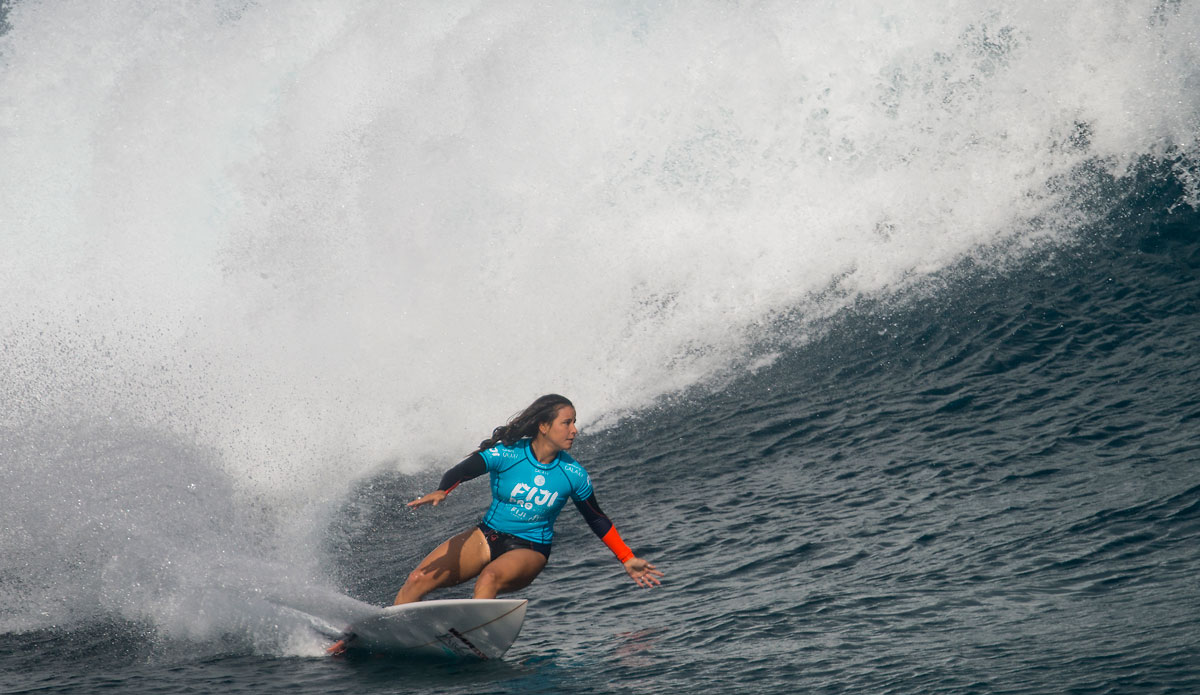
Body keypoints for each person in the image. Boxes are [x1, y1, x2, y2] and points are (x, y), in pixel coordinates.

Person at [393, 394, 663, 605]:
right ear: (544, 426)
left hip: (530, 548)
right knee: (417, 578)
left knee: (490, 577)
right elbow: (463, 470)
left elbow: (596, 518)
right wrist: (444, 490)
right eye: (567, 423)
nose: (574, 430)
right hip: (487, 535)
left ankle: (474, 640)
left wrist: (626, 558)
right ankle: (383, 635)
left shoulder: (573, 474)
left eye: (574, 422)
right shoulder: (508, 454)